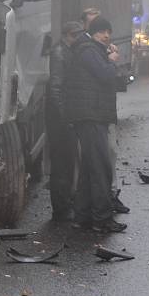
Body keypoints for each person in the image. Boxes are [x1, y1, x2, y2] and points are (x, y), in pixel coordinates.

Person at [64, 16, 126, 233]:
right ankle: (102, 219)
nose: (106, 36)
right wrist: (112, 60)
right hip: (91, 116)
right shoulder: (89, 50)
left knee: (90, 169)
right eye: (102, 32)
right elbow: (105, 75)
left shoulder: (90, 49)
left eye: (108, 32)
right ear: (93, 32)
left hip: (90, 115)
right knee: (101, 168)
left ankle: (82, 217)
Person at [46, 21, 85, 221]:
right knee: (62, 164)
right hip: (60, 121)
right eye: (78, 35)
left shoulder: (64, 51)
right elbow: (56, 88)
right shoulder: (61, 54)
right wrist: (65, 117)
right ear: (70, 35)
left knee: (66, 163)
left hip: (61, 118)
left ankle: (63, 203)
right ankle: (61, 207)